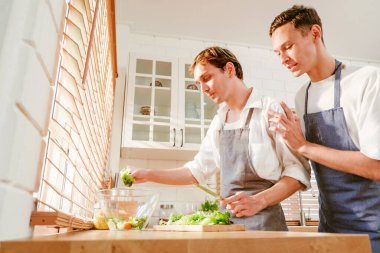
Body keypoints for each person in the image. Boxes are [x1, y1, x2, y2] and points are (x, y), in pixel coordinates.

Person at [130, 46, 310, 231]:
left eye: (206, 78)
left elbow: (298, 172)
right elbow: (196, 171)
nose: (203, 89)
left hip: (266, 227)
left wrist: (259, 200)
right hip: (228, 225)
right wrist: (148, 174)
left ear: (229, 69)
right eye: (199, 83)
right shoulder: (218, 123)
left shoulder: (268, 109)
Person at [269, 5, 380, 252]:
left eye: (288, 46)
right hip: (329, 232)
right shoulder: (302, 97)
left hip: (373, 233)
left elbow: (376, 167)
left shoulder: (365, 81)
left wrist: (304, 145)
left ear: (315, 33)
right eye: (277, 52)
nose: (283, 58)